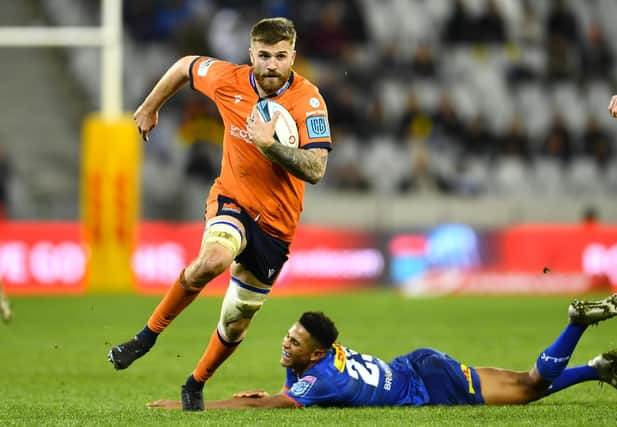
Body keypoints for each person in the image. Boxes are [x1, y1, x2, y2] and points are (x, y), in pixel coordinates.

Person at [108, 17, 332, 411]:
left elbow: (315, 169)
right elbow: (184, 65)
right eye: (263, 55)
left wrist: (269, 145)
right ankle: (146, 337)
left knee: (236, 319)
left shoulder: (308, 101)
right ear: (251, 54)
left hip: (276, 228)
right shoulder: (228, 79)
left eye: (280, 57)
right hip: (232, 200)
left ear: (292, 57)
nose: (271, 65)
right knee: (211, 261)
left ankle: (194, 384)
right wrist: (149, 106)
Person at [146, 294, 617, 409]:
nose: (285, 342)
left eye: (295, 342)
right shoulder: (314, 365)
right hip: (417, 365)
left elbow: (273, 405)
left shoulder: (321, 379)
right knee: (524, 380)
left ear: (316, 355)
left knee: (531, 388)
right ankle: (597, 368)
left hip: (433, 384)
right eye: (288, 335)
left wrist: (191, 406)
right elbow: (275, 394)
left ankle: (574, 324)